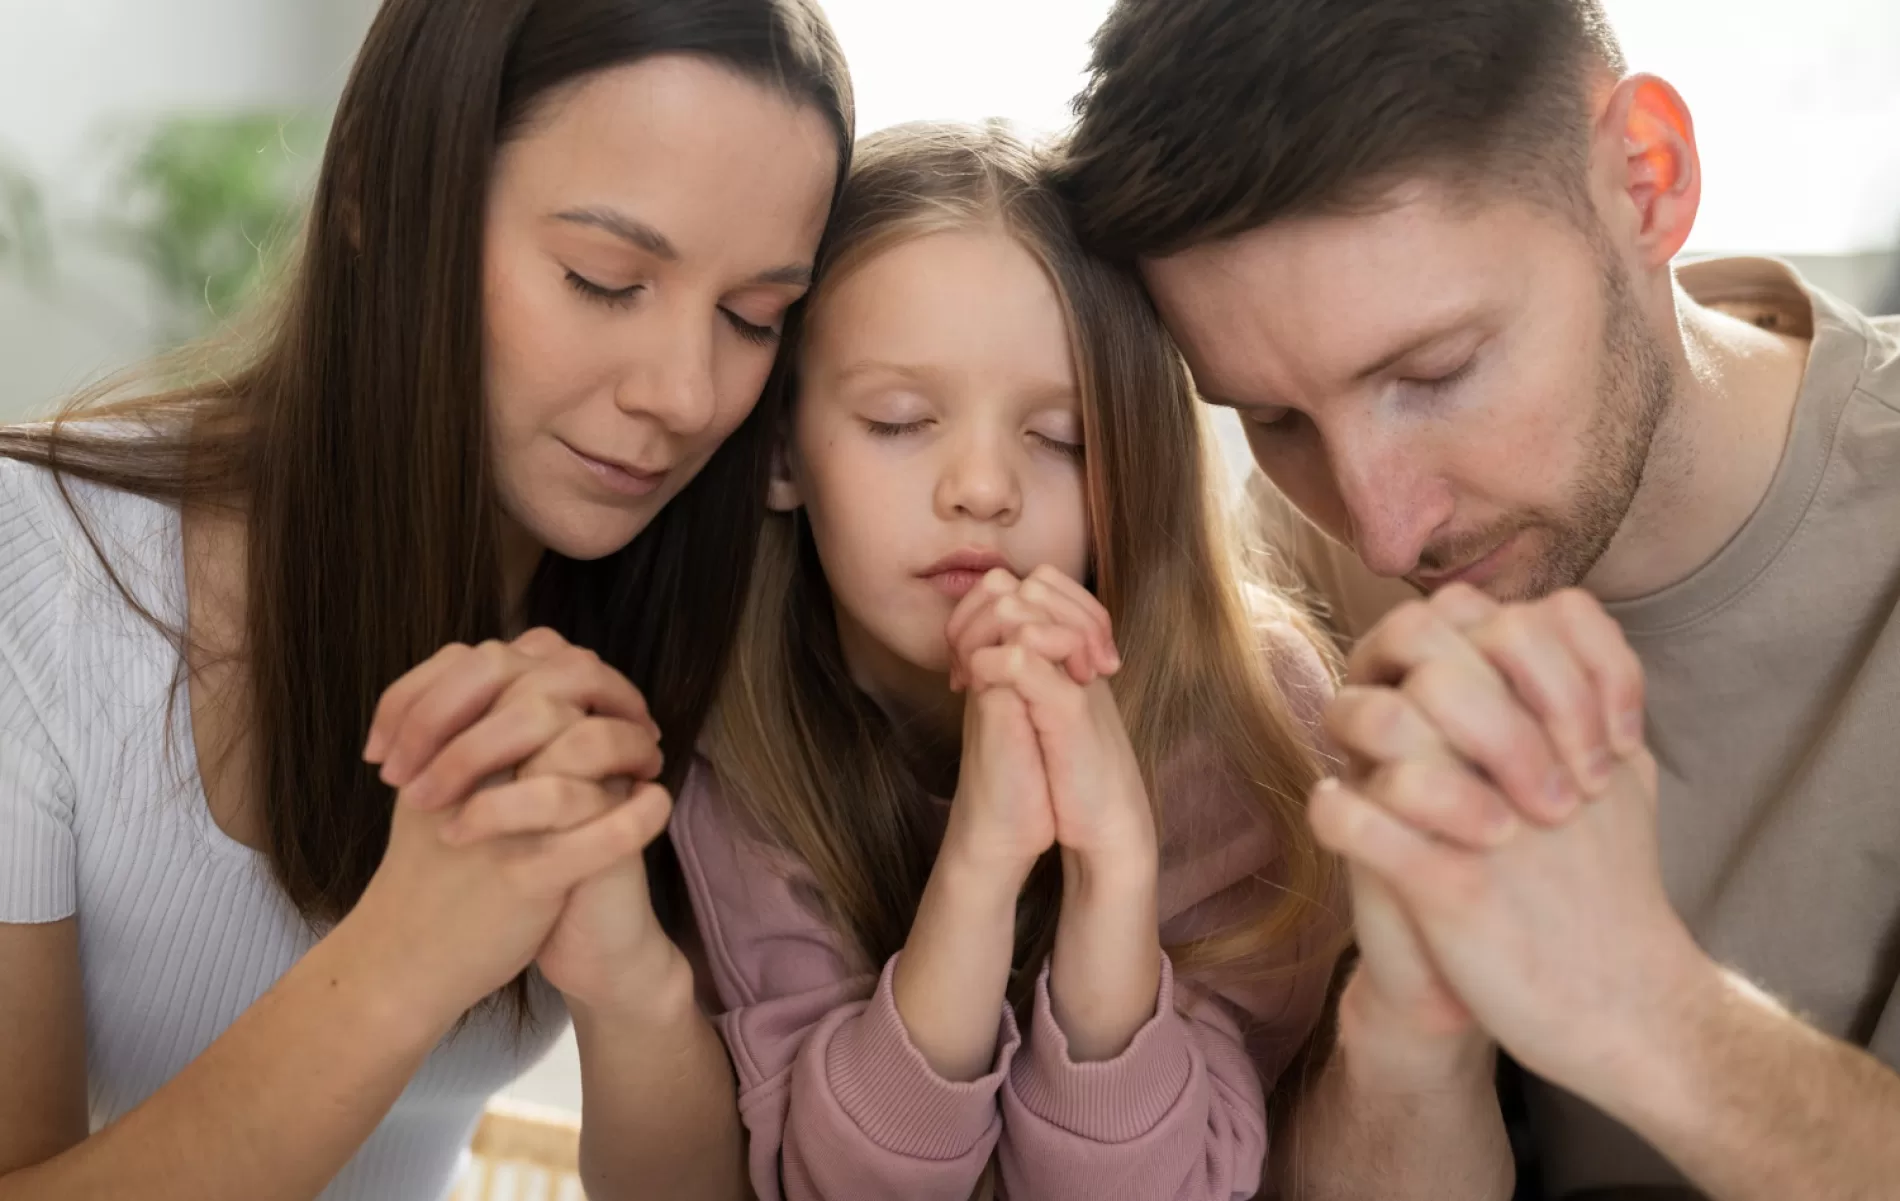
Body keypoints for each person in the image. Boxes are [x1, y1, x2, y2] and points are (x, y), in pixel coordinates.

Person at [0, 1, 850, 1198]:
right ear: (373, 201)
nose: (686, 392)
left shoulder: (714, 630)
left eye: (752, 316)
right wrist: (401, 958)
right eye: (605, 279)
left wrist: (639, 989)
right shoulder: (37, 565)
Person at [1055, 2, 1900, 1199]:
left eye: (1433, 372)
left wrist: (1643, 1005)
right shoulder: (1297, 575)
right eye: (1274, 419)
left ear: (1644, 180)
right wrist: (1408, 1031)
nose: (1383, 529)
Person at [668, 121, 1346, 1201]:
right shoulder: (737, 743)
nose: (982, 487)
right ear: (785, 451)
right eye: (900, 421)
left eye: (1061, 436)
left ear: (1137, 464)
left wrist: (1111, 867)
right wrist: (980, 865)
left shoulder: (1246, 714)